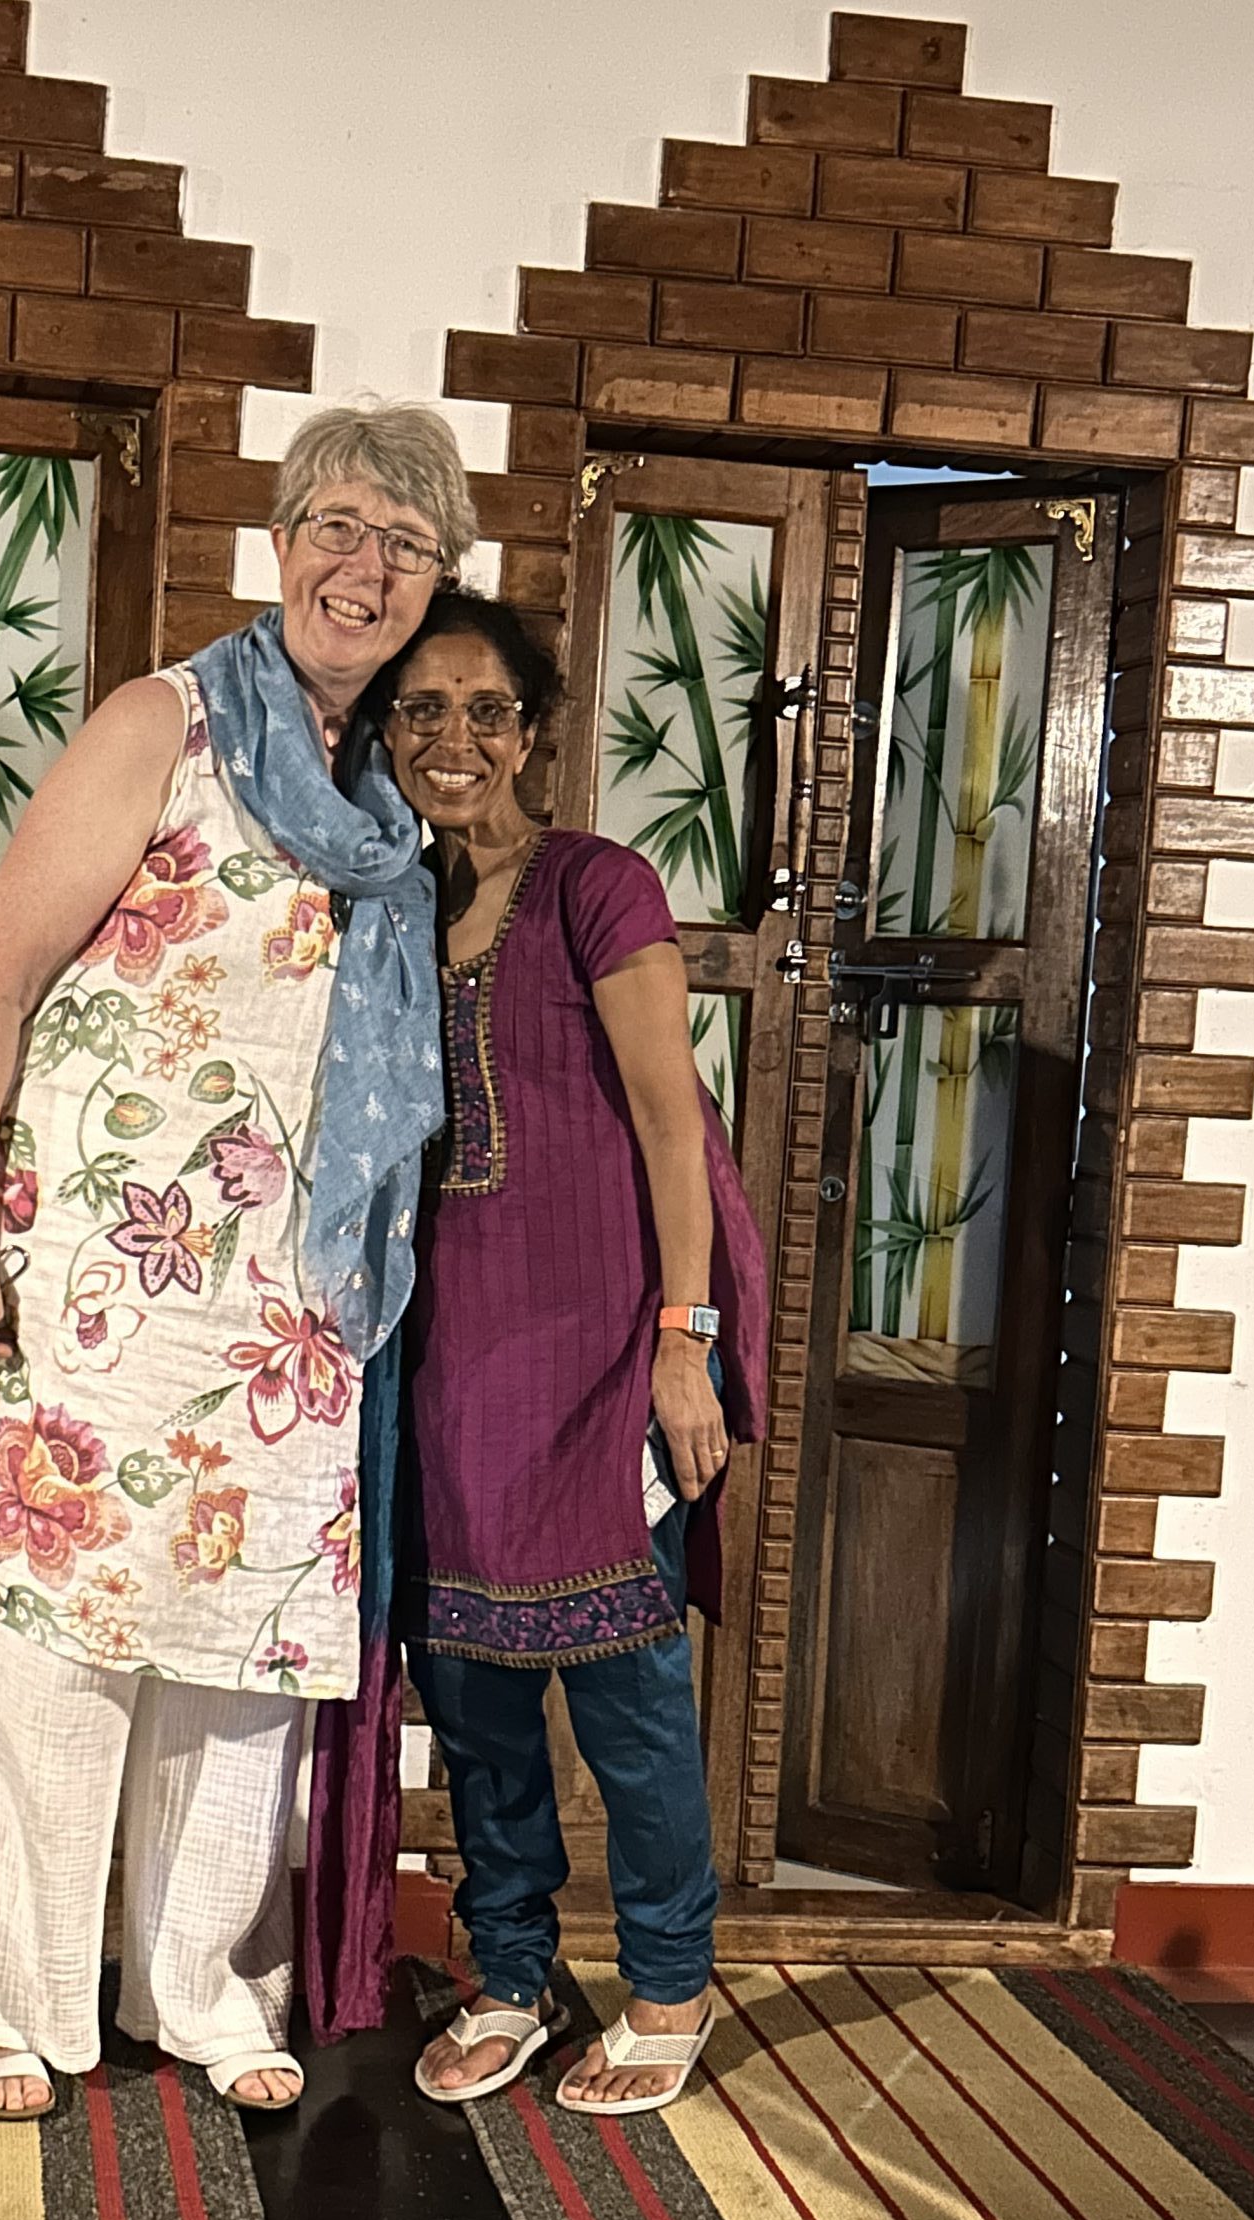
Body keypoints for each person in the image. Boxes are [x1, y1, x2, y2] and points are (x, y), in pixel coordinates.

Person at [0, 404, 478, 2120]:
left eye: (407, 546)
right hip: (88, 1269)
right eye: (340, 526)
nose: (366, 567)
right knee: (47, 1641)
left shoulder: (397, 790)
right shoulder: (169, 722)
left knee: (240, 1649)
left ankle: (203, 1992)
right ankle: (5, 2005)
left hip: (287, 1302)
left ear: (436, 583)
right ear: (282, 545)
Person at [371, 591, 768, 2116]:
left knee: (627, 1694)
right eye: (421, 710)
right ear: (386, 734)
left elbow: (673, 1129)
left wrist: (684, 1342)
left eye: (486, 709)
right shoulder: (388, 902)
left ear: (533, 733)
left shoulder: (598, 886)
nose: (452, 739)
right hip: (447, 1360)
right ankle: (513, 1973)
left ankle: (670, 1981)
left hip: (604, 1350)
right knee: (470, 1692)